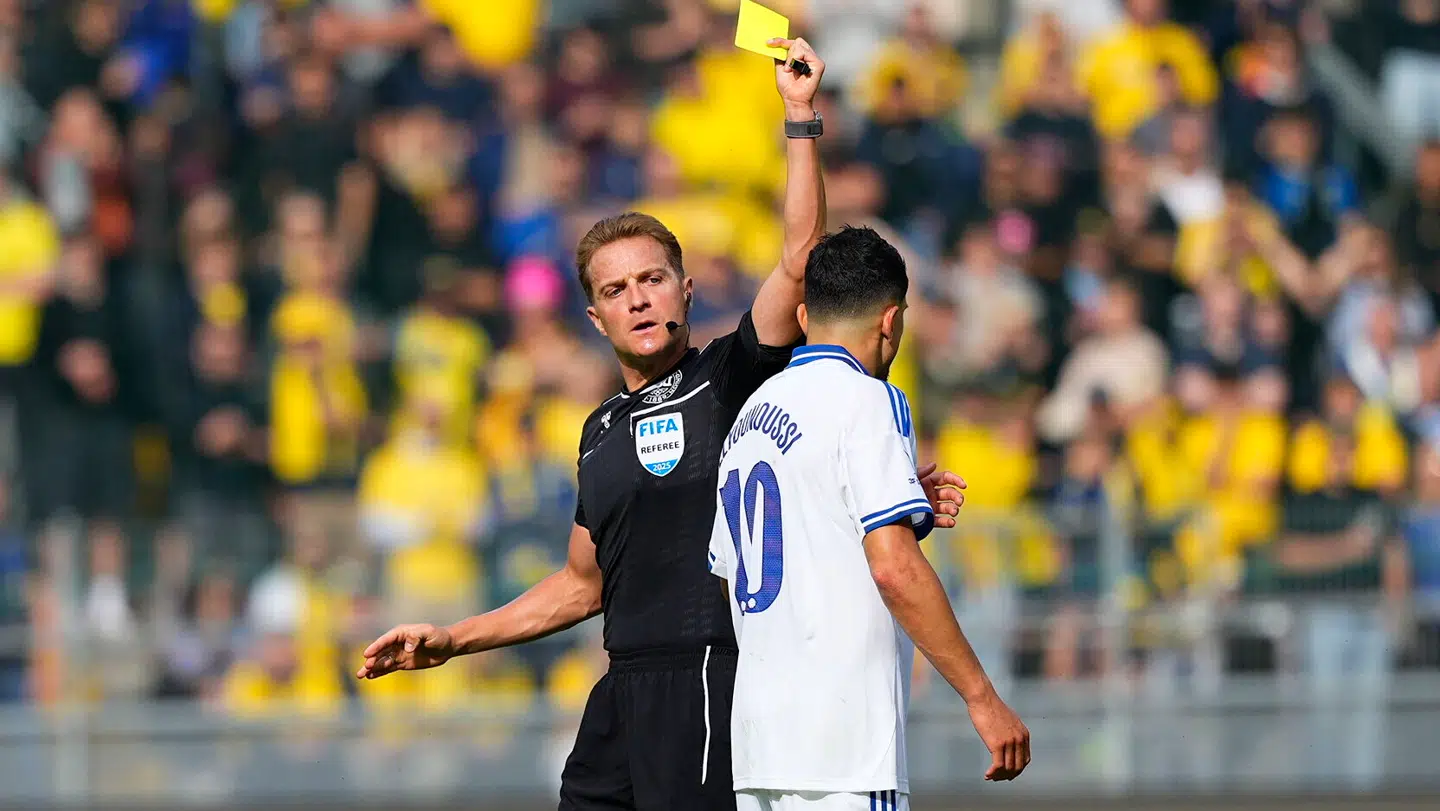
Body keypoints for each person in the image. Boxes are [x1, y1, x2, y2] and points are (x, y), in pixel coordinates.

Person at [356, 39, 964, 811]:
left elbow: (797, 258)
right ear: (594, 313)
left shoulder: (728, 378)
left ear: (683, 288)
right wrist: (453, 638)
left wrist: (800, 117)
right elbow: (582, 586)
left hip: (711, 682)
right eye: (617, 288)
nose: (638, 297)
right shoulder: (598, 429)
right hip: (620, 696)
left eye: (652, 279)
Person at [708, 226, 1030, 811]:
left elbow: (741, 565)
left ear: (804, 316)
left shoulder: (750, 415)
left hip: (759, 748)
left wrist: (895, 500)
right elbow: (894, 570)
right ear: (891, 321)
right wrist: (983, 697)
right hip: (846, 747)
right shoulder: (871, 400)